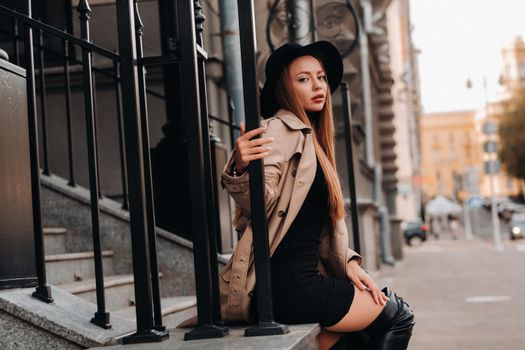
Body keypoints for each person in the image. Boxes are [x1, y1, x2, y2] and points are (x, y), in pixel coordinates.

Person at [220, 41, 414, 349]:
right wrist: (242, 168)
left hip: (300, 282)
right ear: (284, 88)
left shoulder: (311, 140)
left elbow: (315, 227)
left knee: (353, 342)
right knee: (399, 316)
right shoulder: (276, 131)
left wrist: (349, 262)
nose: (317, 85)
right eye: (303, 79)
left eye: (321, 77)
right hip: (288, 288)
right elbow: (260, 202)